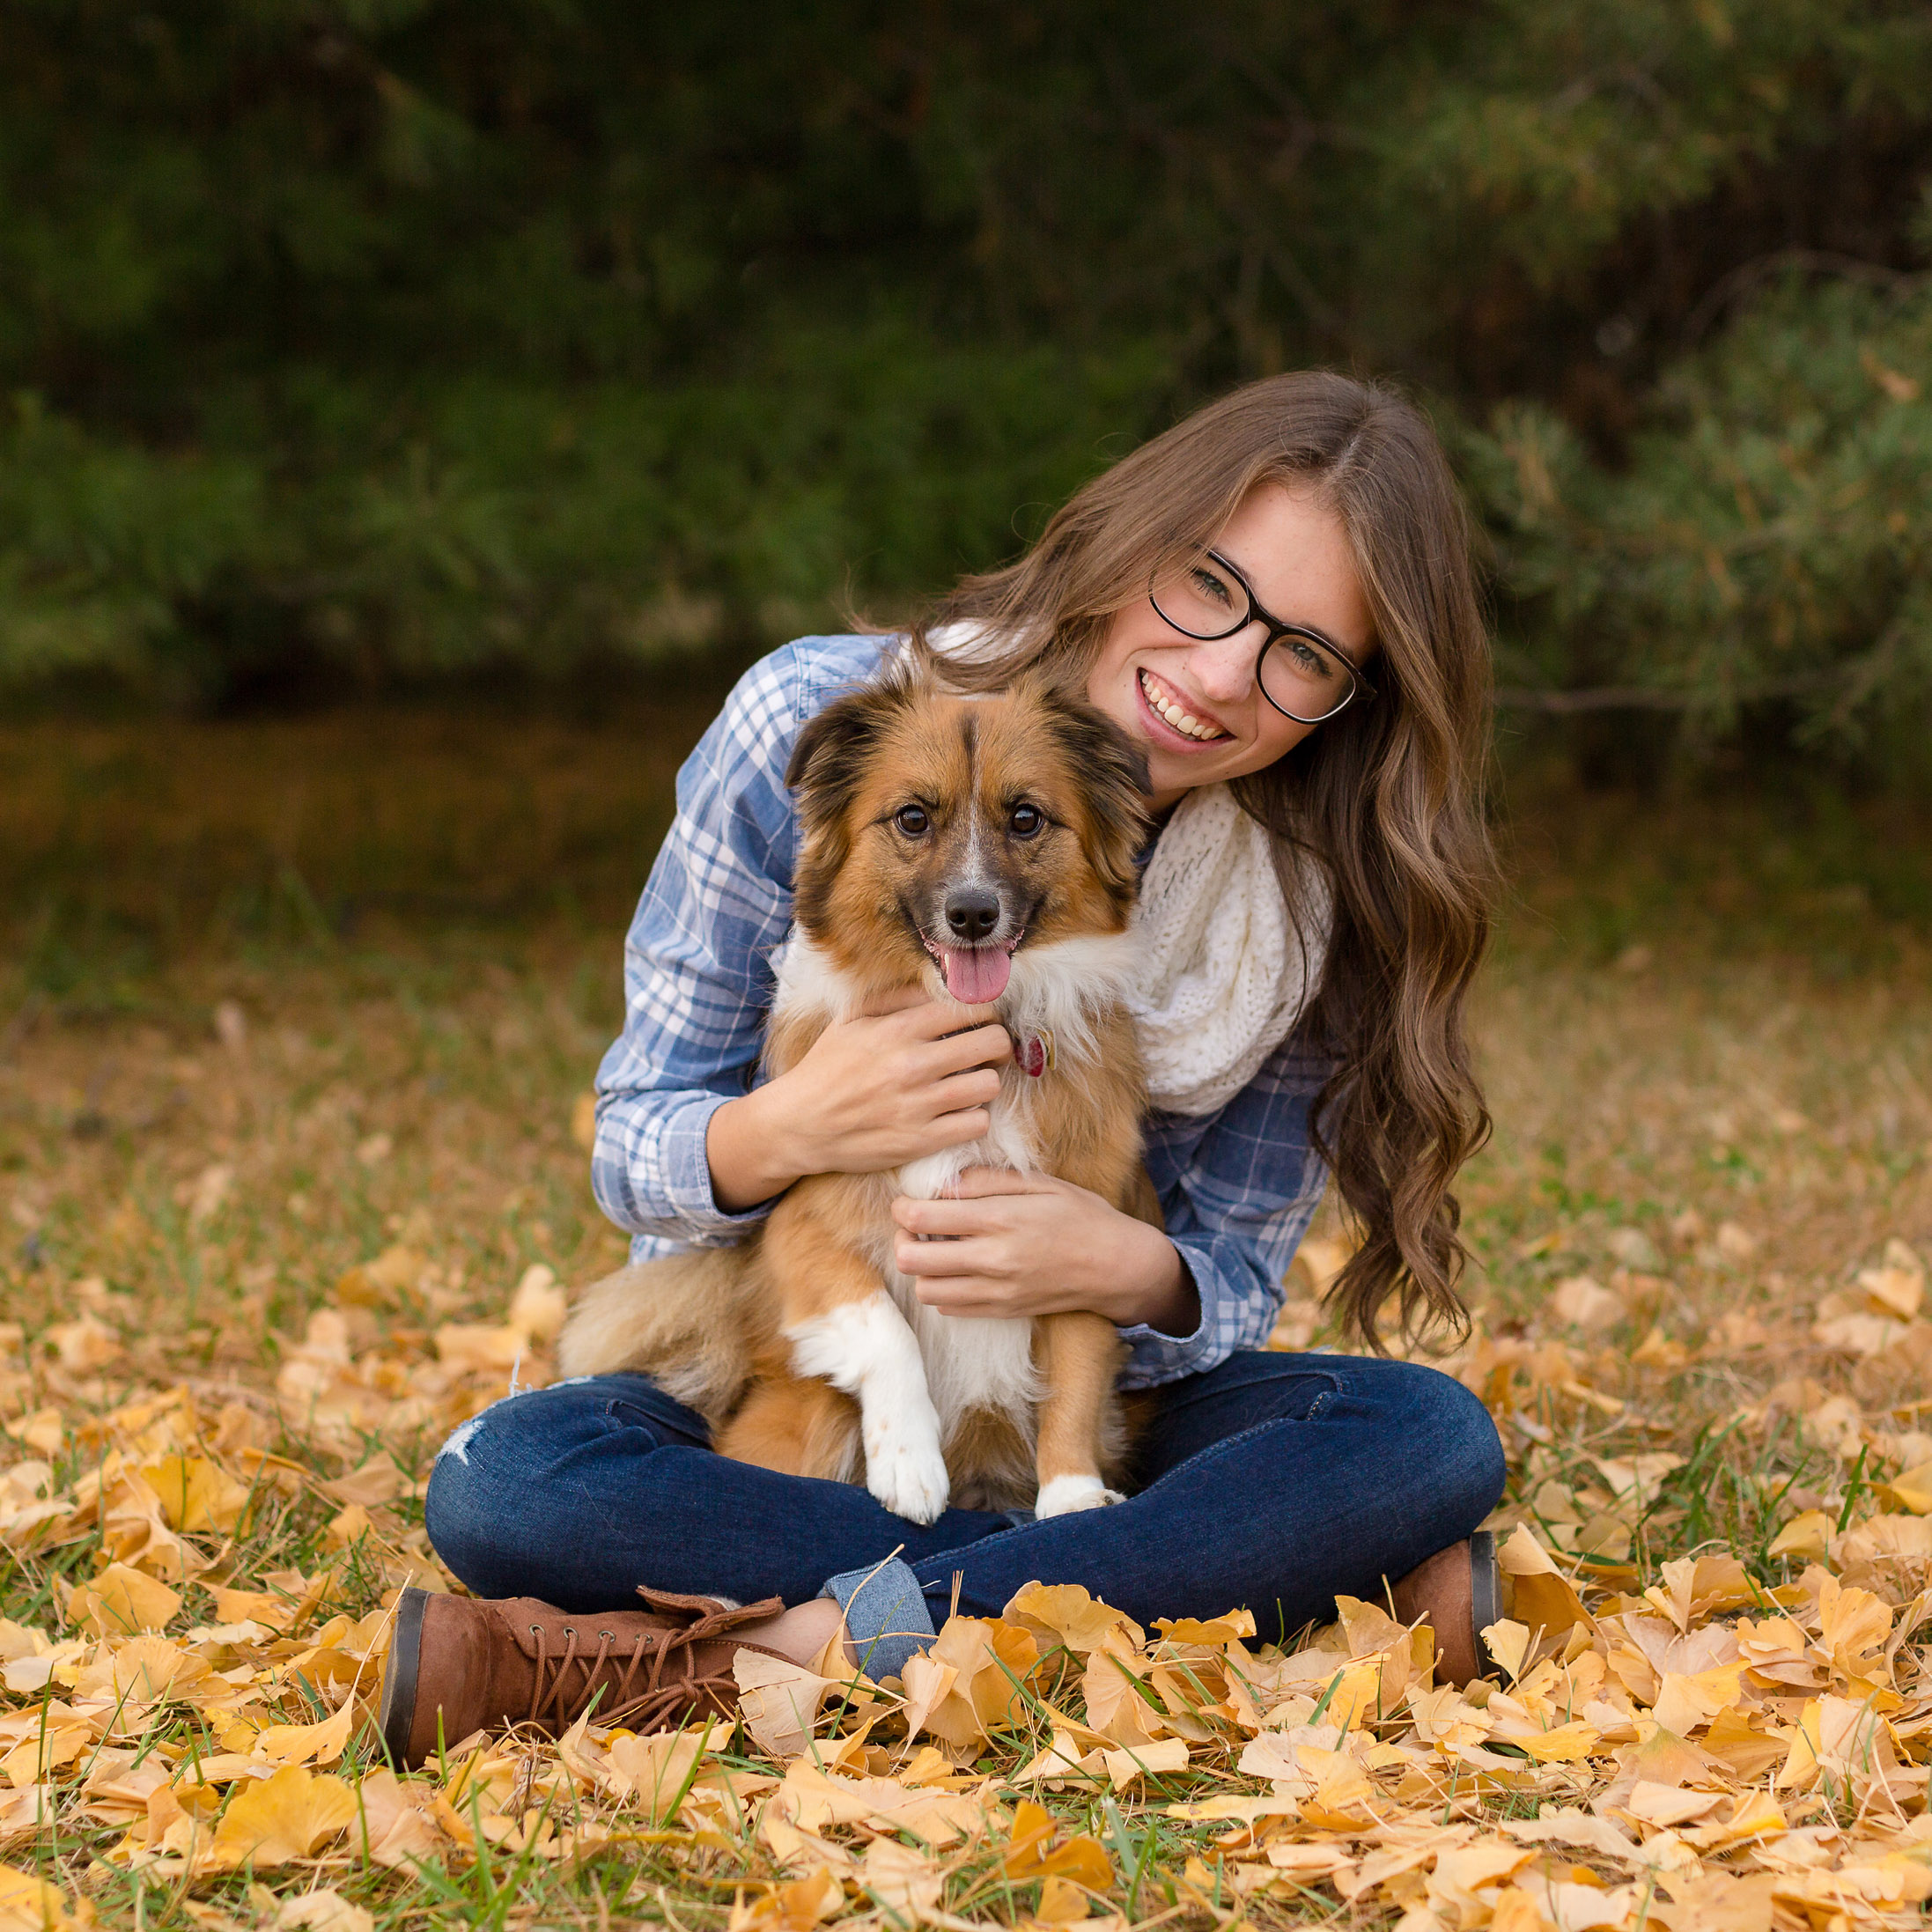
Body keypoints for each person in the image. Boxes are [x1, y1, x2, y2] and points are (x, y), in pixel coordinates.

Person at [377, 371, 1508, 1766]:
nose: (1223, 674)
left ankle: (733, 1651)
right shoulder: (810, 722)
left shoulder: (1305, 908)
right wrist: (792, 1121)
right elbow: (636, 1147)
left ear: (1349, 698)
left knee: (1427, 1436)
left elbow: (1228, 1285)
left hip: (1071, 1404)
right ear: (1133, 541)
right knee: (511, 1484)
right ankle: (1197, 1607)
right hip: (785, 1356)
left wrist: (1117, 1261)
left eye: (1304, 656)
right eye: (1210, 585)